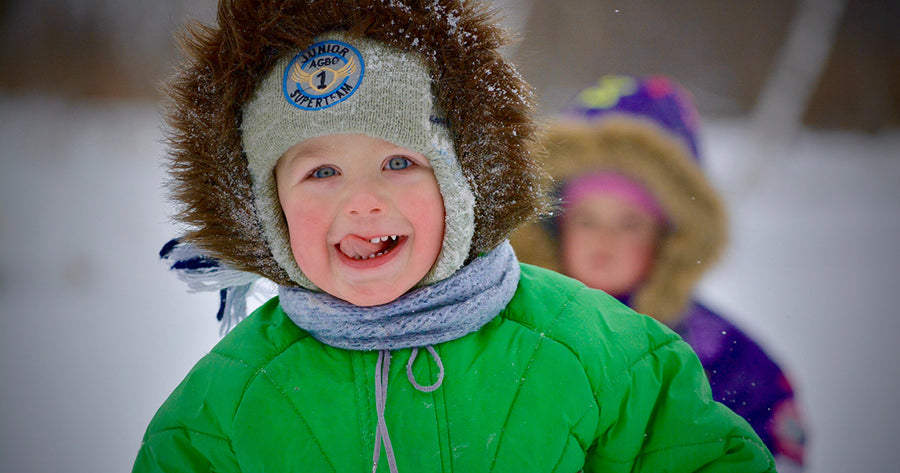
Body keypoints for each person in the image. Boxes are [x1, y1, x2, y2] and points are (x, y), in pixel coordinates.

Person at [133, 2, 776, 472]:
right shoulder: (228, 403)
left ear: (463, 183)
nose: (361, 202)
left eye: (399, 162)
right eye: (321, 171)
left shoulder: (592, 350)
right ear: (265, 209)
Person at [510, 74, 806, 470]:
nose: (604, 239)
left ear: (669, 236)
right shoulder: (520, 332)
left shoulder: (724, 356)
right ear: (552, 225)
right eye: (586, 219)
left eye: (629, 222)